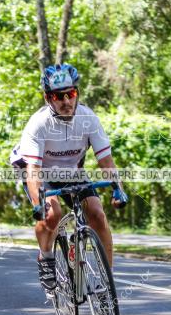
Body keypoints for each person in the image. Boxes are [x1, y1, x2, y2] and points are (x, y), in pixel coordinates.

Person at [9, 63, 128, 294]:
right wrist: (37, 205)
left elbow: (106, 162)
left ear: (77, 93)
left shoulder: (89, 119)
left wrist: (118, 190)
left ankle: (106, 284)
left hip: (71, 170)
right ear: (47, 98)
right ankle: (46, 257)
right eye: (58, 96)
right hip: (38, 171)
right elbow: (33, 171)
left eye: (70, 94)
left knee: (97, 214)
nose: (66, 101)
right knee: (52, 214)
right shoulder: (38, 124)